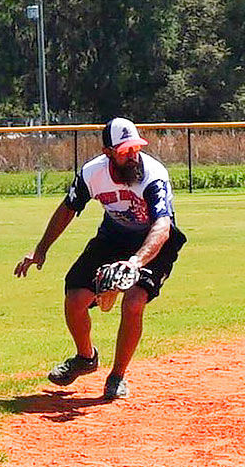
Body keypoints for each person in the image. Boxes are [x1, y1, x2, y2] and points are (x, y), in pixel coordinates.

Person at [14, 117, 187, 400]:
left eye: (136, 148)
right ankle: (85, 358)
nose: (133, 155)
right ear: (108, 152)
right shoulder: (92, 173)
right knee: (75, 298)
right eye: (125, 151)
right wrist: (41, 248)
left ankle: (117, 376)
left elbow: (162, 226)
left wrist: (135, 262)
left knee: (134, 302)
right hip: (113, 237)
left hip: (153, 243)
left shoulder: (153, 175)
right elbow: (68, 208)